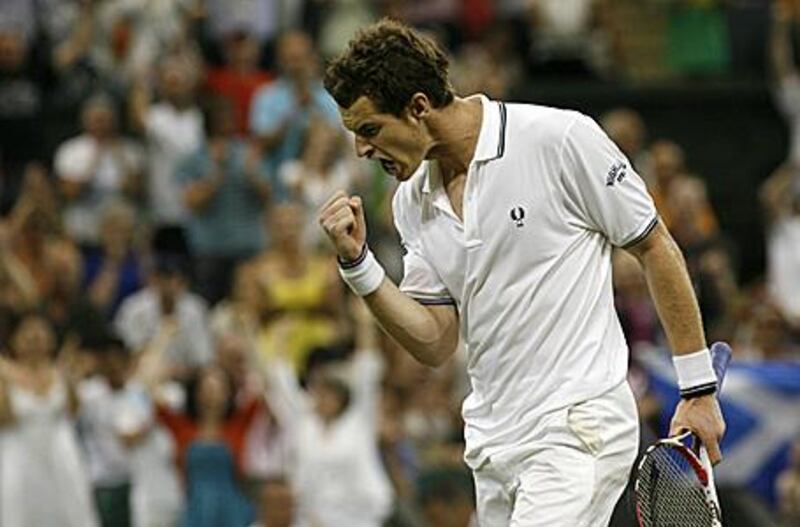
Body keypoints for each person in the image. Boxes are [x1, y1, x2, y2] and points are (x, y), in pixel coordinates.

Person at [318, 19, 726, 526]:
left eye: (370, 129)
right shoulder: (411, 203)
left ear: (418, 107)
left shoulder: (559, 139)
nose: (361, 149)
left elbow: (656, 246)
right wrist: (359, 267)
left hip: (578, 426)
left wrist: (697, 389)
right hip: (493, 445)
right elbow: (434, 341)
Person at [0, 314, 99, 527]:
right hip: (20, 456)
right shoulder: (5, 374)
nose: (35, 337)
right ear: (14, 339)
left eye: (40, 331)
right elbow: (4, 419)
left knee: (71, 512)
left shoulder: (61, 372)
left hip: (61, 455)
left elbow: (74, 412)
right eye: (28, 332)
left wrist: (71, 377)